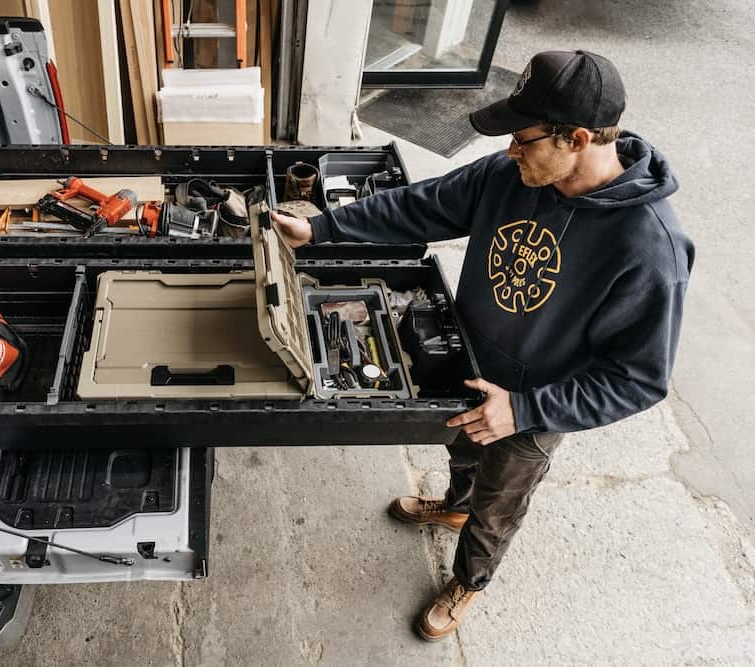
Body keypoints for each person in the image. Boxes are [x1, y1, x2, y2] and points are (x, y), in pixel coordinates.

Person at [271, 50, 694, 641]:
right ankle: (453, 503)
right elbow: (423, 205)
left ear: (576, 138)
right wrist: (322, 227)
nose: (510, 151)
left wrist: (524, 409)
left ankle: (469, 580)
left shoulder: (650, 250)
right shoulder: (510, 174)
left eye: (523, 139)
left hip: (533, 403)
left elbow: (639, 379)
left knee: (499, 505)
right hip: (468, 364)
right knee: (463, 455)